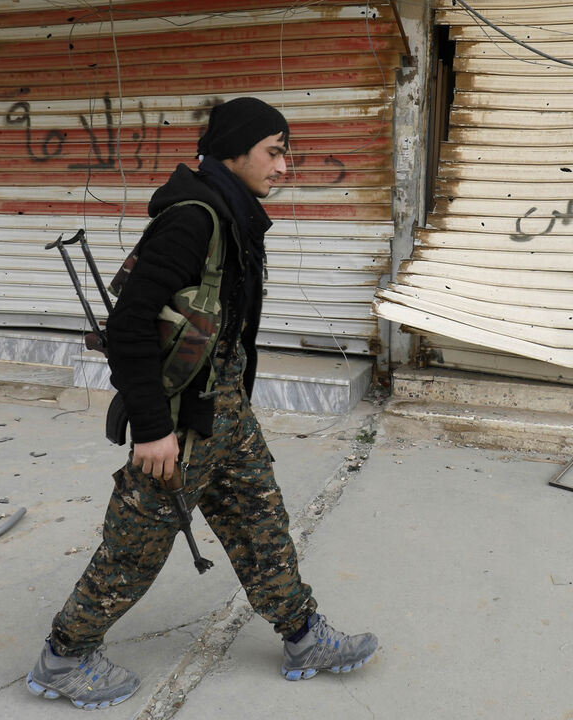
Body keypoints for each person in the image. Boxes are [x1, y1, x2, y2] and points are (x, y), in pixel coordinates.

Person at [25, 97, 378, 710]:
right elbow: (132, 326)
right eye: (274, 152)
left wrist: (232, 402)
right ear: (234, 153)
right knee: (135, 547)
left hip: (225, 413)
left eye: (285, 152)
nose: (285, 166)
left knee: (261, 524)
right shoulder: (193, 219)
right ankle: (64, 657)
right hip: (180, 426)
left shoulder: (233, 213)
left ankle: (303, 637)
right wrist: (153, 430)